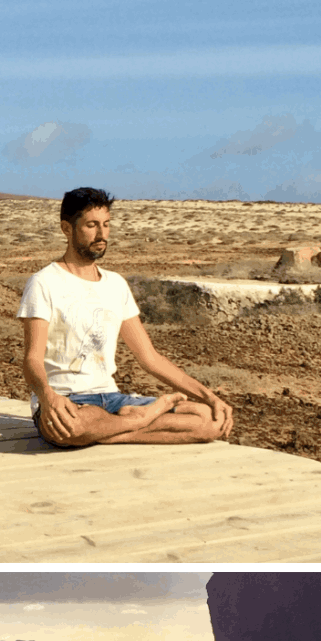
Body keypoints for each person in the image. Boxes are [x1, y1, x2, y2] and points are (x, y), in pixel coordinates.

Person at [18, 186, 234, 447]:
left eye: (106, 225)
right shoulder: (44, 283)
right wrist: (48, 397)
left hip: (112, 399)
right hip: (68, 400)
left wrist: (209, 397)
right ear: (67, 228)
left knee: (209, 420)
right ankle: (142, 418)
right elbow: (32, 358)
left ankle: (118, 428)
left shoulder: (115, 284)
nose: (101, 234)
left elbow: (150, 358)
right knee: (72, 427)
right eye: (92, 225)